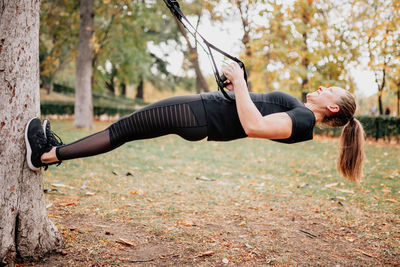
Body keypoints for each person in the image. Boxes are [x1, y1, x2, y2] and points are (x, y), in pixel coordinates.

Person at [25, 63, 365, 183]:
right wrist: (236, 88)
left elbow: (254, 127)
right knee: (123, 132)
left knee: (120, 131)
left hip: (200, 115)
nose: (321, 87)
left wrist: (241, 82)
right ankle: (51, 152)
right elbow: (253, 111)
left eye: (328, 90)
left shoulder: (305, 120)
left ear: (332, 107)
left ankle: (45, 154)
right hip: (204, 115)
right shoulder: (303, 119)